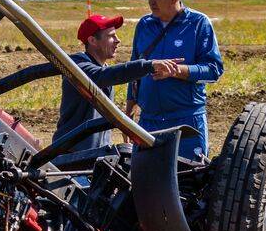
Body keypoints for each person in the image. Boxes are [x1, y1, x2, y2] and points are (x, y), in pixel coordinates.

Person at [127, 0, 223, 160]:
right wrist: (129, 110)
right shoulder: (144, 25)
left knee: (190, 174)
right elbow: (134, 68)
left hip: (186, 122)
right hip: (148, 121)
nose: (150, 1)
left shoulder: (198, 23)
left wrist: (176, 71)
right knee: (147, 175)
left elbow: (213, 70)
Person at [54, 14, 176, 150]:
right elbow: (105, 75)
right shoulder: (77, 66)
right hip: (71, 154)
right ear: (92, 40)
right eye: (111, 36)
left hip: (95, 153)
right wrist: (148, 65)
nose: (118, 40)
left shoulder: (100, 66)